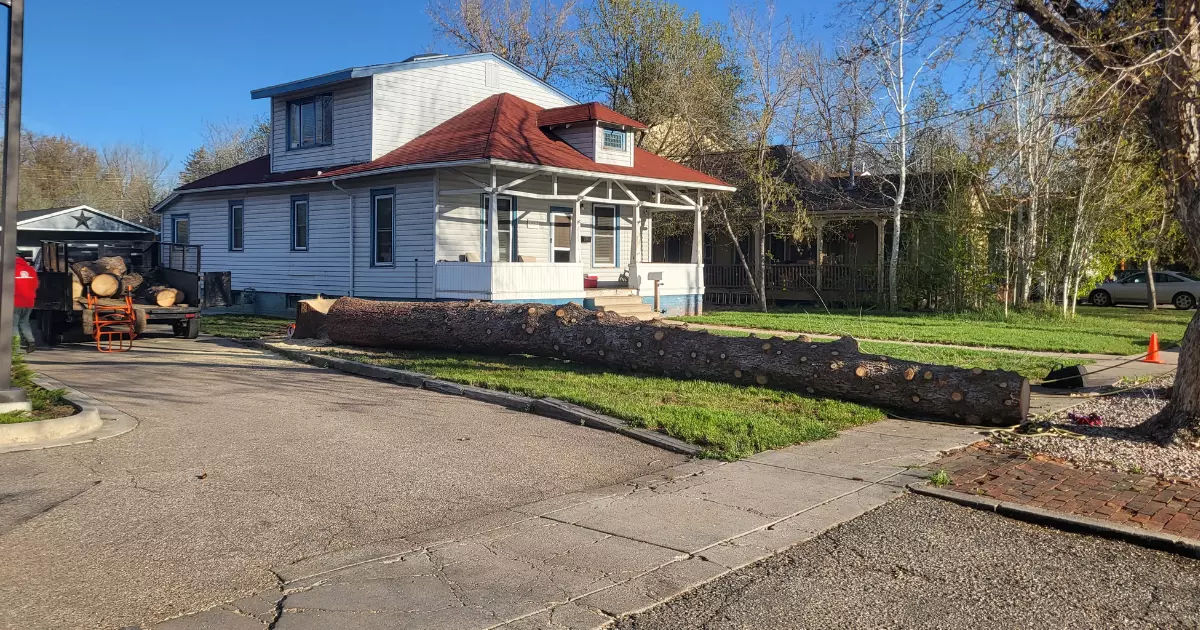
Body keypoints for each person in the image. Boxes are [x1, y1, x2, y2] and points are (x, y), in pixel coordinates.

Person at [14, 255, 38, 352]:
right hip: (29, 301)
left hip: (15, 300)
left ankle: (15, 347)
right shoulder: (31, 270)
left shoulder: (10, 269)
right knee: (24, 322)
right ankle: (31, 342)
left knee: (13, 325)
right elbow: (35, 285)